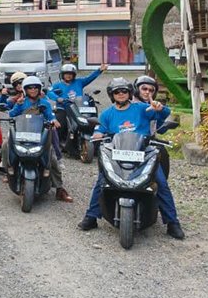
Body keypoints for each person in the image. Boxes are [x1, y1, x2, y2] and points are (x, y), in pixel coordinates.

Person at [78, 78, 184, 239]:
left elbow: (163, 114)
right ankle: (91, 217)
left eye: (124, 91)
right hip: (117, 154)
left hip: (144, 153)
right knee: (101, 181)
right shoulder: (107, 114)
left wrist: (160, 108)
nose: (121, 94)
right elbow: (99, 130)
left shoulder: (141, 108)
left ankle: (172, 223)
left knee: (161, 183)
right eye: (117, 92)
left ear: (129, 93)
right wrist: (97, 135)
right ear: (112, 95)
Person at [4, 76, 70, 202]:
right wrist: (17, 105)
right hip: (21, 135)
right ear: (25, 90)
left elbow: (50, 115)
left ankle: (59, 188)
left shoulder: (44, 103)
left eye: (35, 87)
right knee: (6, 145)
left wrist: (54, 120)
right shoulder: (21, 102)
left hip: (39, 136)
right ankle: (9, 172)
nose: (33, 90)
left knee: (52, 158)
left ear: (39, 89)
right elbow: (11, 115)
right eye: (30, 88)